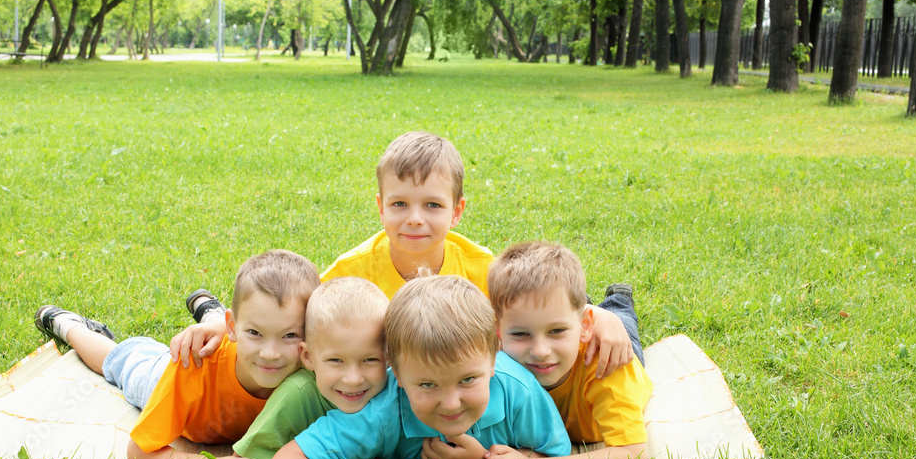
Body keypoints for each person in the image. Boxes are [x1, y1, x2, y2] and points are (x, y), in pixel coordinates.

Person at [171, 131, 637, 378]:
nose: (415, 218)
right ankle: (208, 305)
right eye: (399, 204)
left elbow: (538, 302)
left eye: (432, 205)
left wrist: (603, 316)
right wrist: (217, 322)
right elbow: (285, 315)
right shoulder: (351, 272)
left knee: (622, 347)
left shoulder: (481, 267)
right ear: (379, 206)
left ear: (456, 211)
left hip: (443, 376)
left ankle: (619, 304)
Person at [268, 274, 572, 459]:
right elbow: (291, 458)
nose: (451, 403)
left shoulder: (518, 391)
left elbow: (556, 455)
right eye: (427, 385)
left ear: (494, 357)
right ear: (395, 373)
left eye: (467, 379)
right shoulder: (383, 410)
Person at [34, 250, 319, 459]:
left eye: (290, 335)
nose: (270, 353)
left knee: (218, 335)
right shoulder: (193, 366)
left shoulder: (313, 371)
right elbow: (139, 452)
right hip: (158, 373)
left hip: (224, 339)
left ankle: (209, 313)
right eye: (254, 332)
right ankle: (68, 325)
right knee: (117, 360)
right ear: (231, 327)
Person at [480, 241, 653, 459]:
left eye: (557, 330)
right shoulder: (493, 363)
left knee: (622, 326)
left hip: (614, 350)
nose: (540, 351)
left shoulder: (606, 368)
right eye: (520, 334)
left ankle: (619, 301)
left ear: (585, 326)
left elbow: (633, 458)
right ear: (497, 332)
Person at [233, 277, 390, 459]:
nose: (353, 379)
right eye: (336, 360)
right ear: (307, 356)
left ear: (390, 355)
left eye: (370, 360)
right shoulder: (296, 395)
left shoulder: (397, 385)